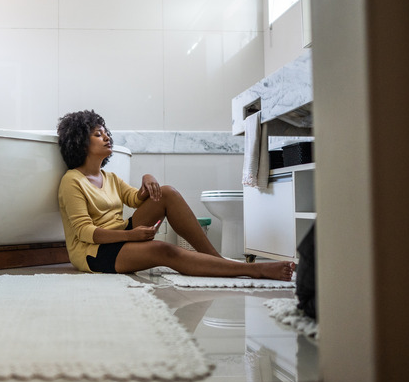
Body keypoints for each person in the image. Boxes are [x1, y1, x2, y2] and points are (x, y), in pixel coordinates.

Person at [56, 110, 295, 281]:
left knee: (167, 193)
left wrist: (147, 179)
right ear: (79, 142)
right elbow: (84, 232)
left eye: (106, 132)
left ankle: (214, 260)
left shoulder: (109, 177)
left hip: (120, 234)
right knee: (164, 251)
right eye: (98, 134)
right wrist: (132, 235)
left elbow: (135, 198)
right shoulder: (72, 181)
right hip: (92, 252)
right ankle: (255, 271)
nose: (107, 136)